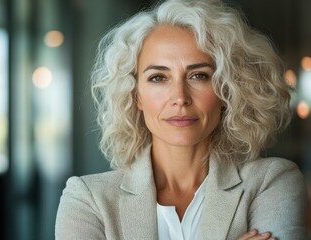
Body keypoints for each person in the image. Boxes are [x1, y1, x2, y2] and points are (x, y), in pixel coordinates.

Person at [56, 0, 307, 239]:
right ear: (136, 96)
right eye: (158, 78)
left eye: (198, 76)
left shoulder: (271, 182)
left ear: (227, 90)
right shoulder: (88, 199)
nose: (180, 97)